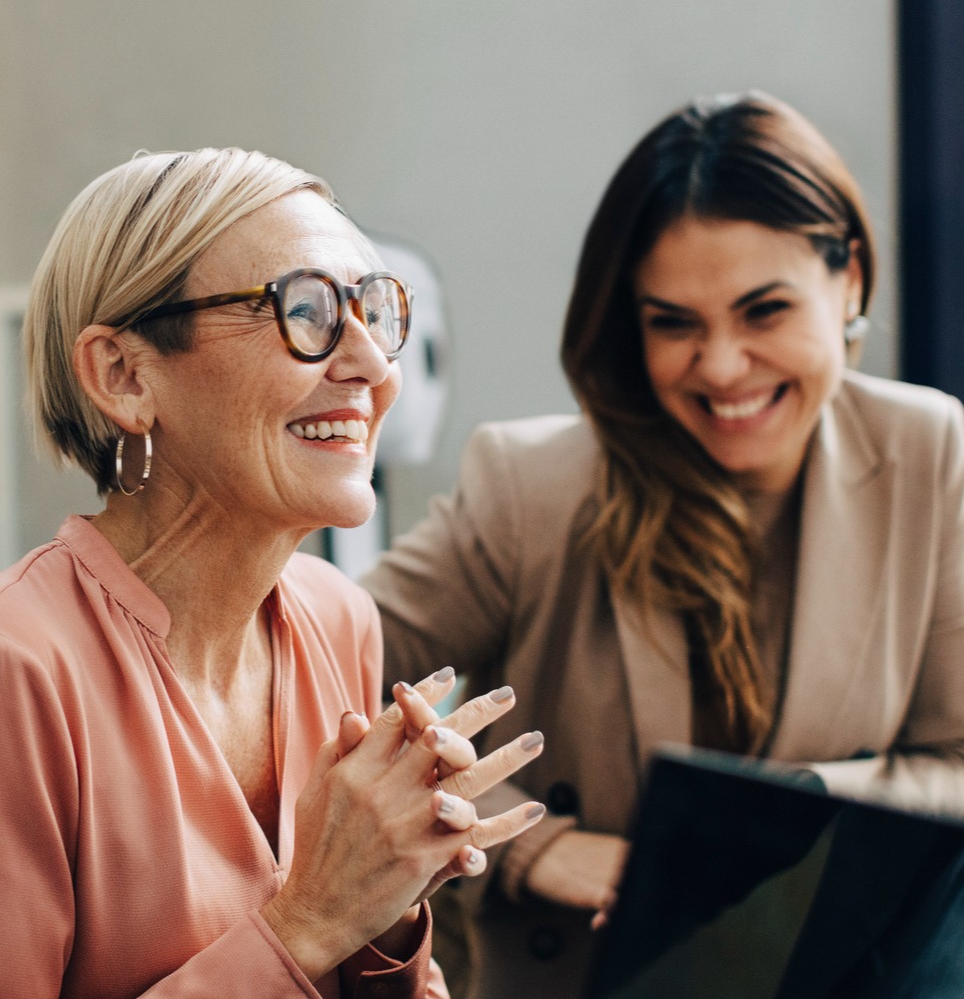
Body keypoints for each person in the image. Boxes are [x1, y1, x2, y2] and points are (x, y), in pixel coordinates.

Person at [360, 92, 964, 999]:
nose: (720, 364)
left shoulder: (931, 450)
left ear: (849, 280)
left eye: (764, 311)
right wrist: (534, 844)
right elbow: (329, 679)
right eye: (673, 322)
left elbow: (956, 761)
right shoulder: (531, 484)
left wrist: (776, 825)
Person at [0, 147, 547, 998]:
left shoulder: (338, 616)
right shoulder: (20, 670)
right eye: (305, 310)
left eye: (374, 309)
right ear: (124, 374)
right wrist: (312, 920)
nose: (375, 366)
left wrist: (389, 904)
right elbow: (315, 924)